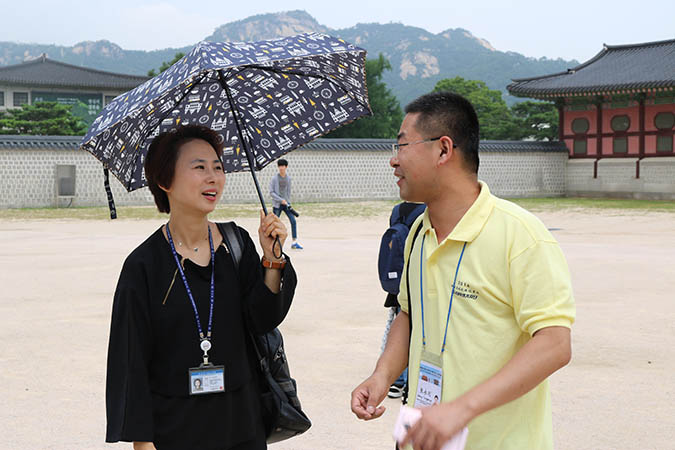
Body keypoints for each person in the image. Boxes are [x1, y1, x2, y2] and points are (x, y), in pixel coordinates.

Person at [350, 92, 575, 450]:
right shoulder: (418, 235)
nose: (393, 161)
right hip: (422, 439)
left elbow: (554, 344)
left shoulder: (521, 235)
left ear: (443, 150)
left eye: (402, 145)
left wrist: (462, 409)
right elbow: (408, 315)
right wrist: (382, 376)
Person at [106, 125, 296, 450]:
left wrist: (272, 259)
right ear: (165, 180)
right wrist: (142, 440)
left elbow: (263, 319)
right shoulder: (143, 266)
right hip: (175, 428)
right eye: (199, 167)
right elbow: (130, 360)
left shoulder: (236, 244)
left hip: (241, 422)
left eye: (218, 167)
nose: (213, 177)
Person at [269, 159, 302, 249]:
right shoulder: (274, 178)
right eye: (280, 166)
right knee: (274, 224)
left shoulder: (288, 179)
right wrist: (281, 200)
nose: (281, 168)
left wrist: (287, 202)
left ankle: (294, 242)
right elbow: (271, 192)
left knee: (293, 221)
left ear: (286, 167)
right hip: (277, 205)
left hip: (286, 204)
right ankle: (272, 242)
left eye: (283, 166)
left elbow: (288, 192)